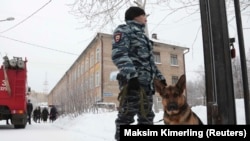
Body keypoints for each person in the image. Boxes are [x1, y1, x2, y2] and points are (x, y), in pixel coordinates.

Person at [111, 6, 167, 141]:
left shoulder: (144, 37)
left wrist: (160, 78)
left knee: (147, 119)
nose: (146, 19)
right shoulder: (124, 31)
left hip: (147, 87)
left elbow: (149, 63)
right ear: (136, 16)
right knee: (126, 118)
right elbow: (119, 55)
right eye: (144, 16)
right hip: (132, 85)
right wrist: (132, 76)